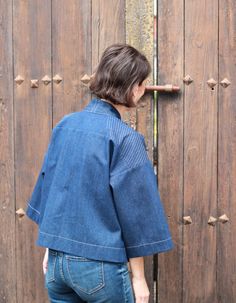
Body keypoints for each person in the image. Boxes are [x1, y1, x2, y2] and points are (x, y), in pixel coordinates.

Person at [26, 43, 174, 303]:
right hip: (99, 268)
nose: (142, 89)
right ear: (133, 88)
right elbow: (135, 212)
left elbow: (50, 187)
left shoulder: (66, 125)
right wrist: (139, 278)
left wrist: (52, 246)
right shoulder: (126, 138)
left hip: (56, 265)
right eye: (142, 83)